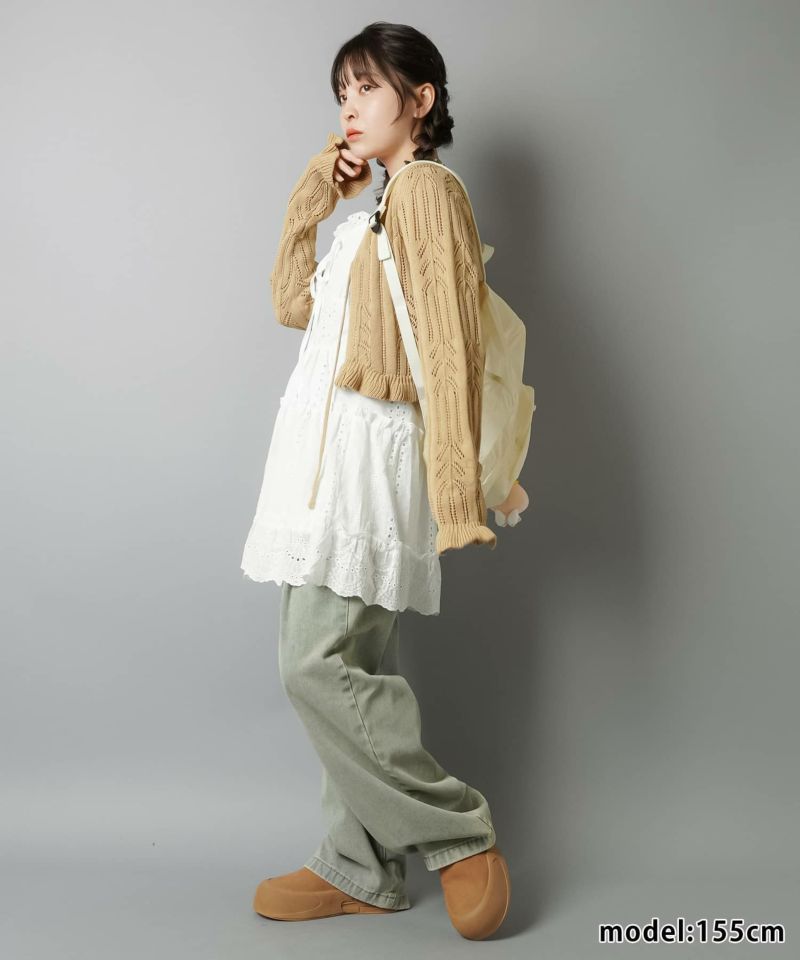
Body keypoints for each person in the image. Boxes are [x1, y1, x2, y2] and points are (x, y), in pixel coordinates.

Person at [242, 21, 512, 940]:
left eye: (366, 87)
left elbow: (450, 345)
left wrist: (456, 498)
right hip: (322, 467)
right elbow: (290, 304)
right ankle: (358, 865)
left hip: (367, 468)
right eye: (341, 93)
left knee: (313, 664)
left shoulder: (428, 194)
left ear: (420, 99)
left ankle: (458, 832)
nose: (349, 107)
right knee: (351, 662)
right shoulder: (377, 211)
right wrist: (317, 195)